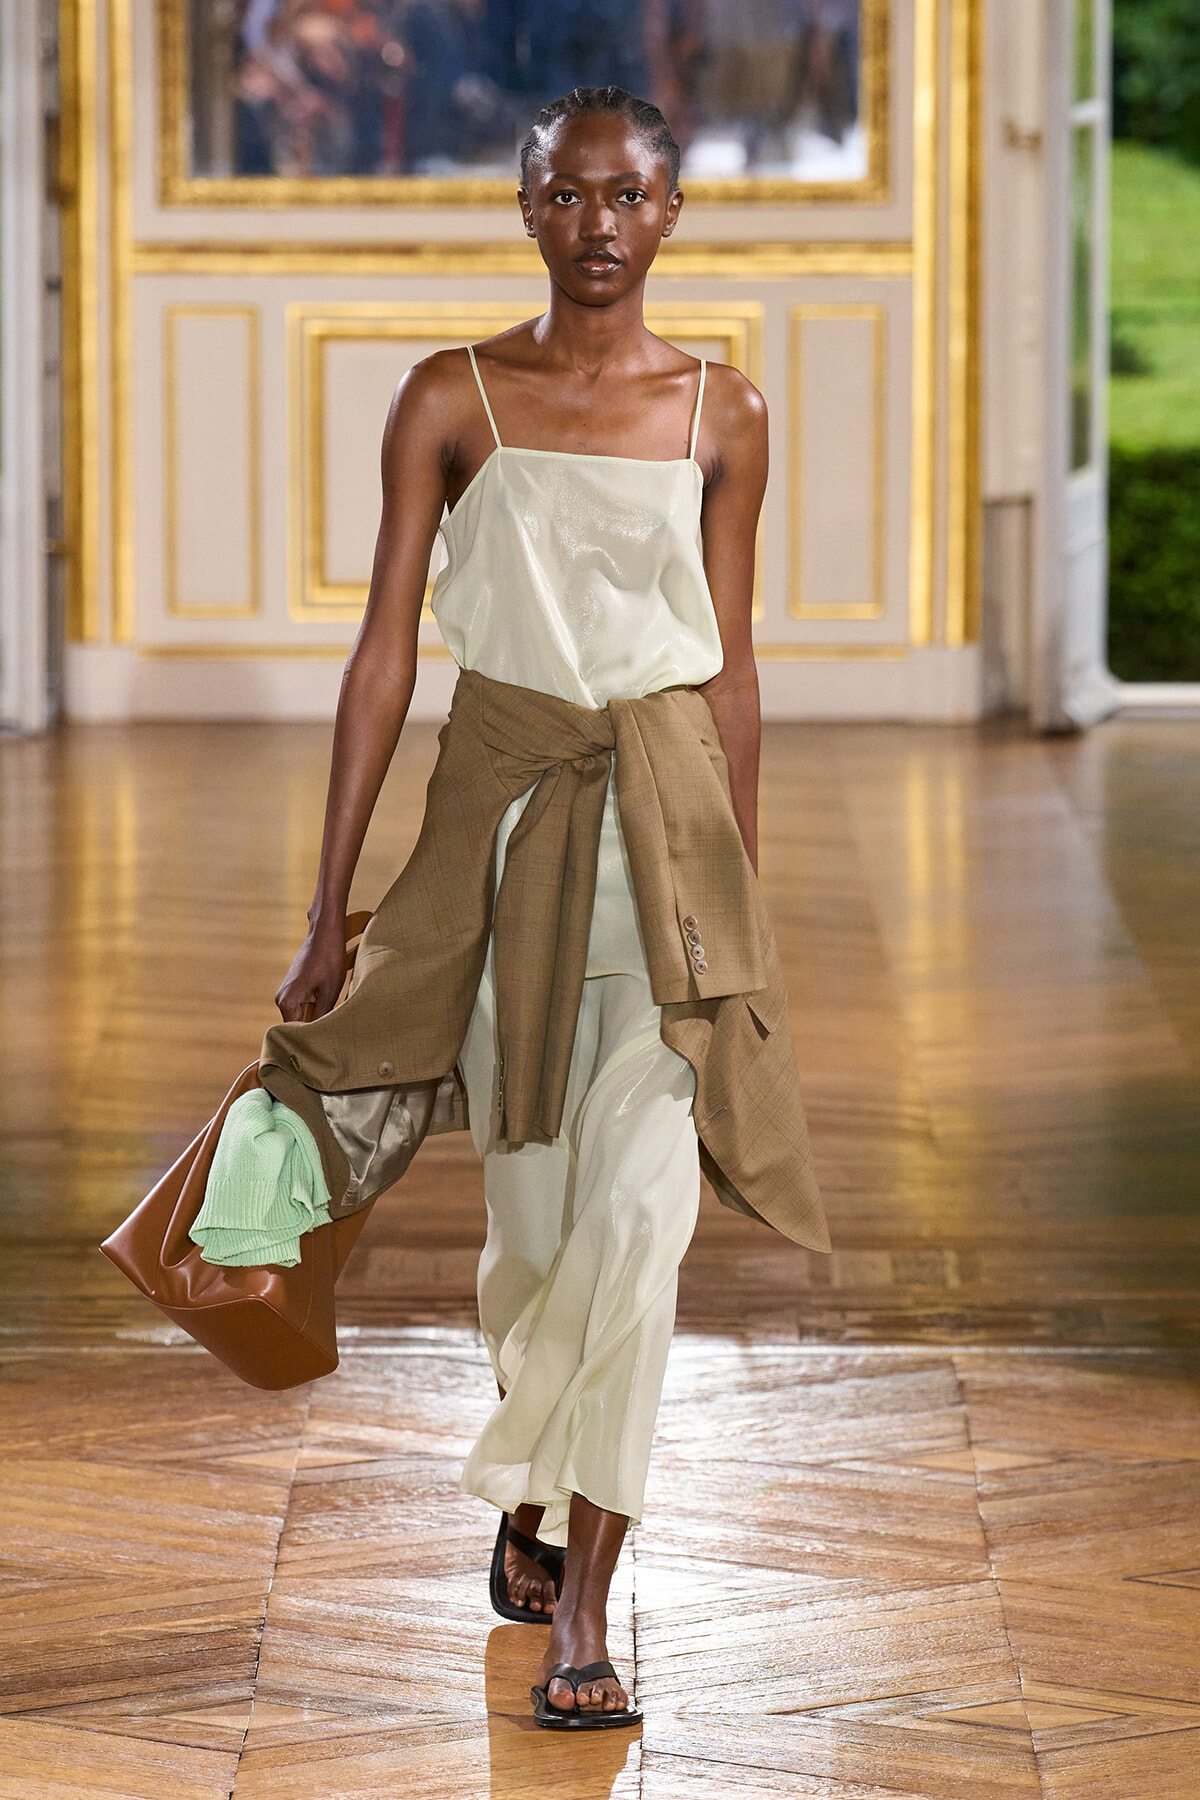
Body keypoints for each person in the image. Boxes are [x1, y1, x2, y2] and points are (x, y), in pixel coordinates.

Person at [267, 84, 828, 1730]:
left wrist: (740, 909)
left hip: (664, 851)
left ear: (673, 213)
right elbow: (384, 657)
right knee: (531, 1239)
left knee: (639, 1231)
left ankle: (584, 1607)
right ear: (527, 207)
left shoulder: (726, 413)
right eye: (569, 194)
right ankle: (530, 1482)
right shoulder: (449, 397)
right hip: (502, 850)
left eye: (629, 195)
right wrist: (330, 906)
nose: (600, 224)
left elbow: (731, 672)